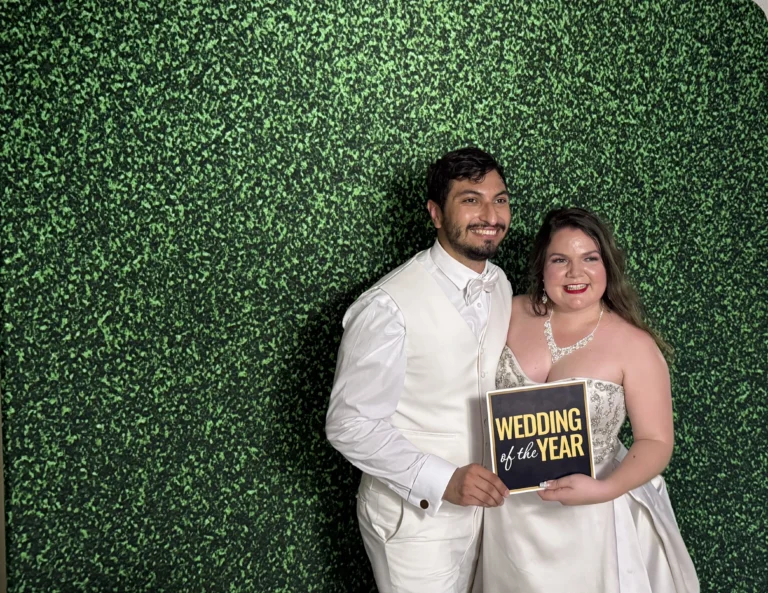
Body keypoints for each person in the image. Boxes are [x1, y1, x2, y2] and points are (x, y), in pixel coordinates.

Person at [482, 207, 699, 592]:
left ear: (608, 266)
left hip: (592, 512)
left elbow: (657, 441)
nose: (575, 273)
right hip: (508, 512)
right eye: (560, 260)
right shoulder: (509, 313)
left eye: (589, 259)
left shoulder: (635, 345)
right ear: (542, 267)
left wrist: (604, 490)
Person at [326, 147, 514, 593]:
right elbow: (348, 424)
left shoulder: (502, 284)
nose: (490, 214)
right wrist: (444, 480)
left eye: (500, 199)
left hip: (492, 515)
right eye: (471, 200)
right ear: (435, 213)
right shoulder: (386, 306)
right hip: (414, 525)